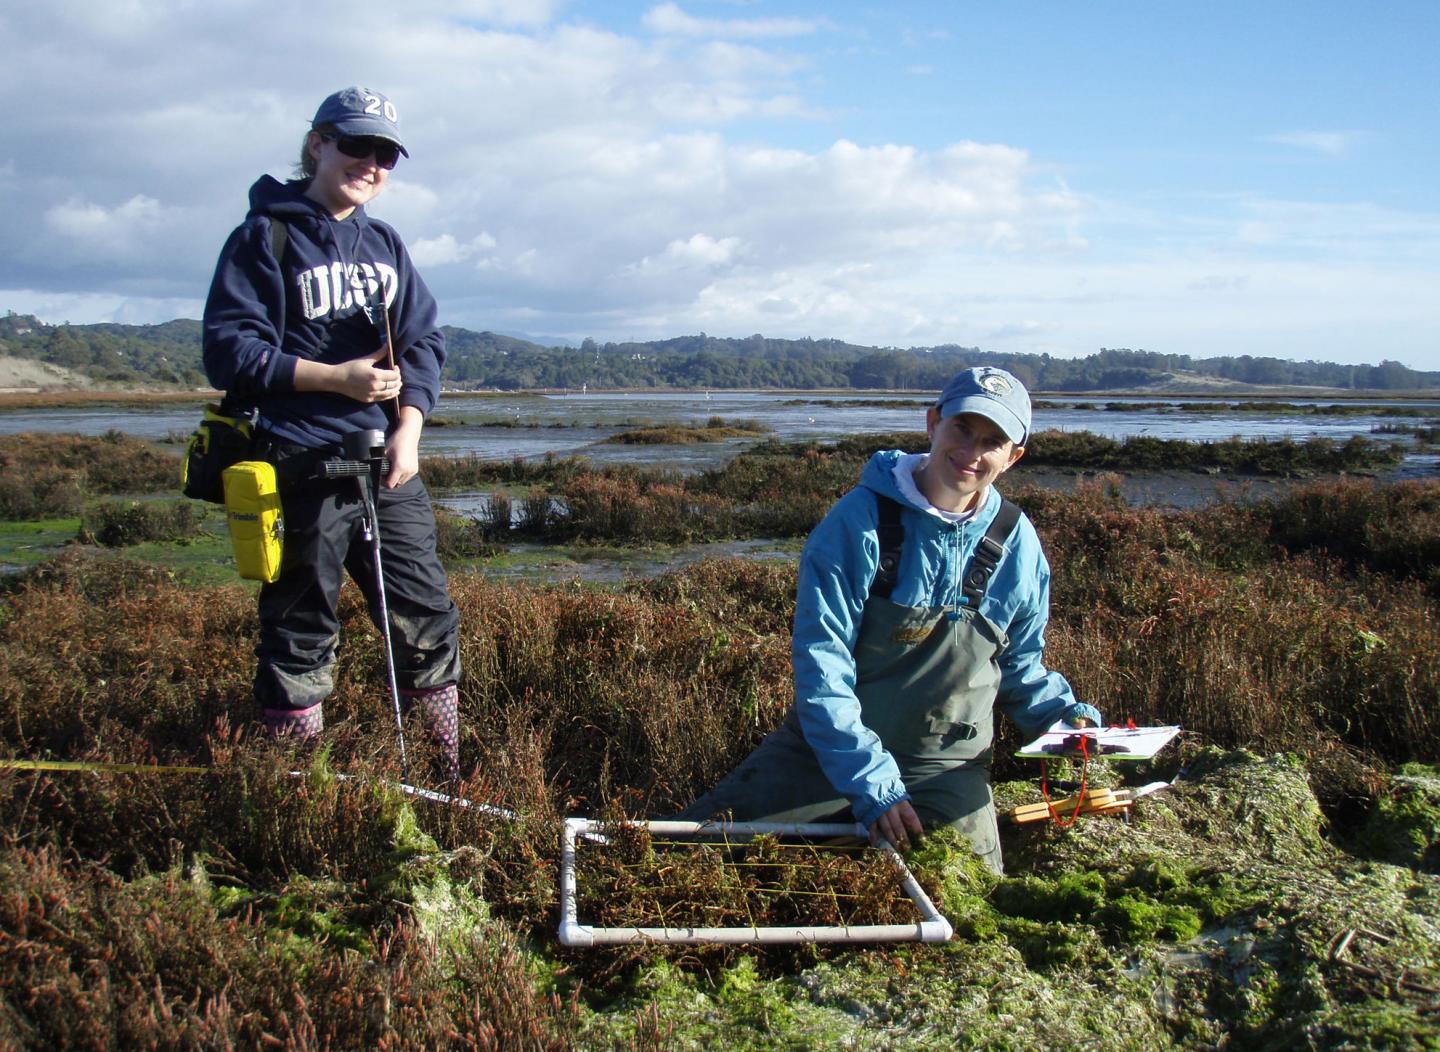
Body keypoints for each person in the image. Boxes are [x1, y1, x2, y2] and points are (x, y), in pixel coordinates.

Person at [680, 367, 1100, 872]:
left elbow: (1020, 666)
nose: (971, 451)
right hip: (824, 756)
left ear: (1013, 457)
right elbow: (822, 671)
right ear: (932, 424)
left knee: (967, 890)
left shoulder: (1017, 541)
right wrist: (870, 782)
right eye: (962, 429)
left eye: (992, 441)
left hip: (946, 766)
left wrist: (1064, 721)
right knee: (690, 851)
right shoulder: (857, 522)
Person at [202, 87, 461, 782]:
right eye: (355, 145)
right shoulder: (265, 236)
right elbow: (229, 351)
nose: (369, 164)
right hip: (299, 464)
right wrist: (334, 379)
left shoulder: (384, 243)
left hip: (388, 467)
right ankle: (299, 792)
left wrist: (410, 429)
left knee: (428, 621)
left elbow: (424, 341)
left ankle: (444, 774)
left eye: (384, 154)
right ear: (317, 143)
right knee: (299, 632)